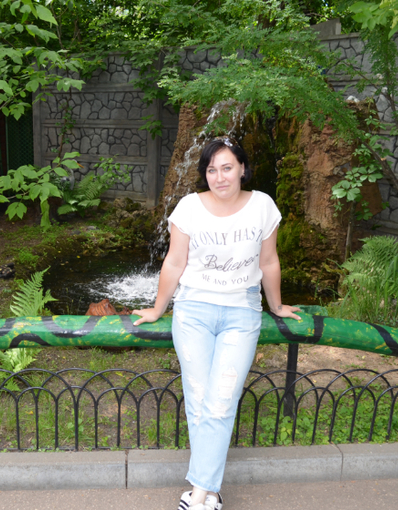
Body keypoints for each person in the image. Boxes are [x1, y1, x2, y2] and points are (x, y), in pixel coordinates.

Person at [132, 138, 301, 510]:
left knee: (221, 402)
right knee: (198, 400)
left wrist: (276, 305)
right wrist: (158, 309)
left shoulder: (262, 206)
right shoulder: (189, 207)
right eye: (212, 169)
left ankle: (199, 494)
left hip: (241, 314)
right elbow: (174, 262)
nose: (219, 177)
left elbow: (268, 261)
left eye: (227, 168)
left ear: (242, 168)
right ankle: (207, 494)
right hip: (193, 312)